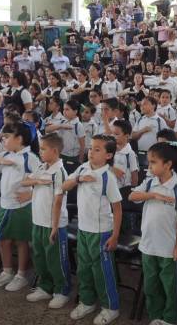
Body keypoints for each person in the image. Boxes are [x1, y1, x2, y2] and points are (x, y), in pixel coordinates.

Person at [62, 135, 123, 325]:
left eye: (97, 149)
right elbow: (64, 185)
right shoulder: (83, 168)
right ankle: (87, 301)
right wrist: (79, 179)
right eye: (90, 148)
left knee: (102, 271)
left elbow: (117, 208)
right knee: (84, 268)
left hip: (102, 231)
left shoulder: (108, 177)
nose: (91, 152)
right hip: (83, 228)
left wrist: (115, 235)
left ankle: (110, 307)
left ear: (108, 155)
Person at [129, 142, 177, 325]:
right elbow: (132, 196)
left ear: (168, 164)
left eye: (153, 162)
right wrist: (153, 195)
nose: (149, 166)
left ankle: (171, 319)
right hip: (148, 245)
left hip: (168, 248)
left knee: (171, 287)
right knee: (151, 285)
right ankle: (156, 316)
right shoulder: (149, 182)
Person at [0, 122, 40, 292]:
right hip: (5, 204)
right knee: (3, 239)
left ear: (20, 139)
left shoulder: (30, 158)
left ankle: (21, 275)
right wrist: (2, 159)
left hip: (21, 206)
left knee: (21, 241)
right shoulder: (7, 154)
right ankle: (7, 271)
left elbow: (43, 181)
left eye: (8, 136)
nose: (4, 138)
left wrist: (30, 194)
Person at [23, 133, 73, 308]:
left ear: (54, 151)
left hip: (54, 224)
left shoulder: (59, 171)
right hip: (38, 220)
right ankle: (45, 287)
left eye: (43, 149)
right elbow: (25, 181)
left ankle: (62, 290)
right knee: (39, 256)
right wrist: (37, 180)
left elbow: (58, 201)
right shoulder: (42, 167)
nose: (40, 151)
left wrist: (54, 226)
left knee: (56, 259)